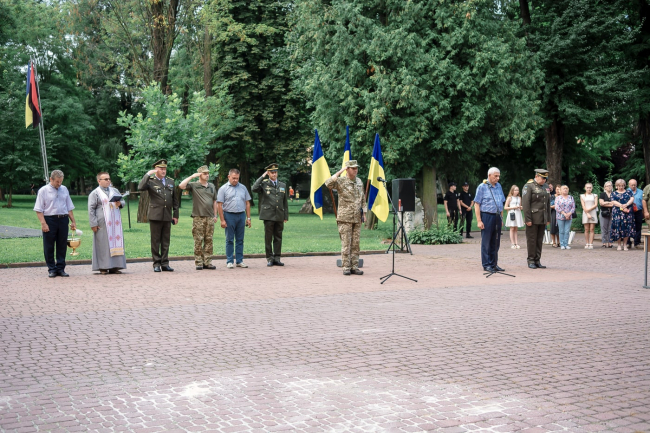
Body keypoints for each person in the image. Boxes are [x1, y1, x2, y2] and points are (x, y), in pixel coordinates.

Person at [34, 170, 77, 278]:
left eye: (61, 181)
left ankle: (61, 268)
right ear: (51, 179)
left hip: (63, 219)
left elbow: (69, 207)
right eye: (57, 181)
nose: (59, 184)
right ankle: (52, 269)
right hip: (50, 219)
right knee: (49, 245)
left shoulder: (64, 189)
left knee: (62, 245)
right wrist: (43, 224)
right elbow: (39, 210)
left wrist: (73, 221)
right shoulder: (43, 191)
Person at [138, 159, 179, 272]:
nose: (163, 170)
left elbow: (175, 200)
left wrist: (175, 215)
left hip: (167, 215)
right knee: (155, 241)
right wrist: (147, 174)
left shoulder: (170, 181)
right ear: (156, 169)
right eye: (161, 168)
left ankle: (165, 263)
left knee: (166, 241)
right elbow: (140, 187)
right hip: (155, 215)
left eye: (165, 168)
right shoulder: (151, 181)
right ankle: (156, 263)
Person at [325, 160, 365, 275]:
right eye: (353, 168)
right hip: (345, 218)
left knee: (356, 244)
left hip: (357, 217)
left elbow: (362, 198)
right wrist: (339, 172)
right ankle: (346, 267)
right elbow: (327, 184)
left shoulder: (359, 181)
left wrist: (364, 214)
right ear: (347, 169)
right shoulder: (341, 181)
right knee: (346, 243)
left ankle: (354, 266)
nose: (356, 170)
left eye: (356, 168)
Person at [179, 166, 218, 271]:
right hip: (198, 217)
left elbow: (215, 201)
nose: (207, 175)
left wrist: (215, 215)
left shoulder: (212, 186)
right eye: (205, 173)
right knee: (198, 240)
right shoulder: (194, 185)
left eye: (208, 173)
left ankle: (208, 262)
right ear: (200, 175)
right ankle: (199, 262)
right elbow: (181, 186)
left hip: (209, 217)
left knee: (209, 240)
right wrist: (192, 176)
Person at [88, 172, 126, 275]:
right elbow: (91, 209)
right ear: (99, 181)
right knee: (103, 244)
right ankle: (103, 267)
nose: (108, 181)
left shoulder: (115, 191)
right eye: (105, 179)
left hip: (115, 222)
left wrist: (120, 203)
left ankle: (115, 266)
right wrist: (93, 224)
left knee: (116, 242)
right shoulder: (95, 193)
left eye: (109, 179)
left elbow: (122, 201)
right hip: (103, 222)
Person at [252, 163, 289, 267]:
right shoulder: (264, 184)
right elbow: (254, 188)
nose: (274, 174)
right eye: (272, 172)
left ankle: (277, 257)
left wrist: (285, 216)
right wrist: (262, 176)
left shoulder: (282, 185)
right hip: (268, 215)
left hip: (279, 215)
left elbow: (285, 202)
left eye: (275, 172)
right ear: (268, 173)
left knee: (278, 237)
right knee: (268, 237)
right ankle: (269, 258)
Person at [217, 168, 252, 268]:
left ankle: (239, 260)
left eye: (237, 178)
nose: (235, 180)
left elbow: (247, 203)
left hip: (241, 215)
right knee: (229, 239)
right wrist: (222, 220)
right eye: (233, 178)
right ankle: (229, 261)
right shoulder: (223, 189)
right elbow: (219, 205)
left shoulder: (243, 188)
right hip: (229, 215)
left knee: (240, 239)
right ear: (229, 177)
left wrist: (248, 218)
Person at [474, 167, 506, 273]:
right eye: (495, 176)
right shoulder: (482, 187)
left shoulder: (499, 186)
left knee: (496, 241)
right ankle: (486, 264)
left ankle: (494, 263)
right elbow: (477, 204)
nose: (497, 178)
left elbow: (501, 202)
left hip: (497, 216)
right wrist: (479, 220)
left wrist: (501, 218)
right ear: (489, 175)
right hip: (486, 216)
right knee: (486, 241)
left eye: (498, 176)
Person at [522, 169, 551, 269]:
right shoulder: (529, 186)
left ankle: (537, 260)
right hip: (533, 218)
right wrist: (527, 219)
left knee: (539, 240)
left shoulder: (546, 187)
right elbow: (526, 204)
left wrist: (548, 218)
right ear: (537, 176)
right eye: (543, 178)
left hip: (542, 218)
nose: (544, 180)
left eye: (545, 178)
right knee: (532, 240)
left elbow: (547, 203)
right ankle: (531, 260)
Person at [611, 179, 635, 251]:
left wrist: (626, 204)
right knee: (618, 228)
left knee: (626, 228)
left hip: (627, 213)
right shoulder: (614, 193)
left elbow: (632, 199)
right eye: (619, 186)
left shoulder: (628, 192)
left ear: (624, 185)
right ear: (616, 186)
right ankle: (619, 245)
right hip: (617, 213)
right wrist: (622, 205)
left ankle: (625, 245)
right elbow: (613, 201)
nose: (621, 187)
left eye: (622, 185)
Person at [555, 185, 575, 250]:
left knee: (567, 231)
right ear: (560, 190)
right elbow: (557, 207)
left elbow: (573, 207)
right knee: (561, 231)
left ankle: (566, 244)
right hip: (560, 216)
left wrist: (569, 214)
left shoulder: (571, 197)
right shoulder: (558, 198)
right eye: (564, 189)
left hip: (569, 217)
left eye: (566, 188)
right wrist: (563, 213)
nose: (565, 190)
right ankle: (562, 244)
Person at [580, 183, 599, 249]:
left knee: (592, 229)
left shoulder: (595, 195)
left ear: (592, 188)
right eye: (587, 187)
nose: (589, 189)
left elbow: (596, 204)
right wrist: (587, 213)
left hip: (593, 212)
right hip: (585, 213)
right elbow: (583, 205)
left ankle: (591, 243)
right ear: (585, 188)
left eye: (590, 187)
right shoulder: (582, 196)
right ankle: (587, 243)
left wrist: (589, 210)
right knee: (586, 229)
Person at [627, 179, 644, 249]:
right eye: (632, 185)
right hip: (629, 211)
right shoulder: (626, 192)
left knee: (638, 227)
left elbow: (643, 201)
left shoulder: (641, 191)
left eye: (635, 185)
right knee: (628, 227)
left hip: (638, 211)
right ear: (629, 185)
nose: (634, 186)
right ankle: (628, 242)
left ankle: (637, 242)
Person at [599, 181, 614, 248]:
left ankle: (610, 242)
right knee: (603, 228)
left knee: (610, 228)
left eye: (610, 185)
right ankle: (604, 242)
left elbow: (615, 204)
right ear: (605, 187)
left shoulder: (614, 194)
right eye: (607, 186)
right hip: (603, 212)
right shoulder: (602, 194)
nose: (609, 187)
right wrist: (610, 203)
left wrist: (606, 203)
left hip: (612, 212)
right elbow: (601, 203)